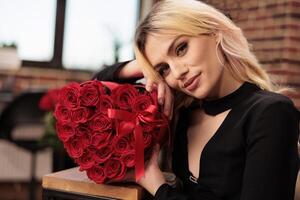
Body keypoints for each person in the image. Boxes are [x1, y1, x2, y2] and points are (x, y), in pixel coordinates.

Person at [93, 0, 300, 199]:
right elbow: (94, 88)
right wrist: (143, 68)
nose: (178, 72)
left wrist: (157, 186)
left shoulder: (271, 113)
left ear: (214, 31)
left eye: (181, 48)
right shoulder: (184, 115)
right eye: (164, 68)